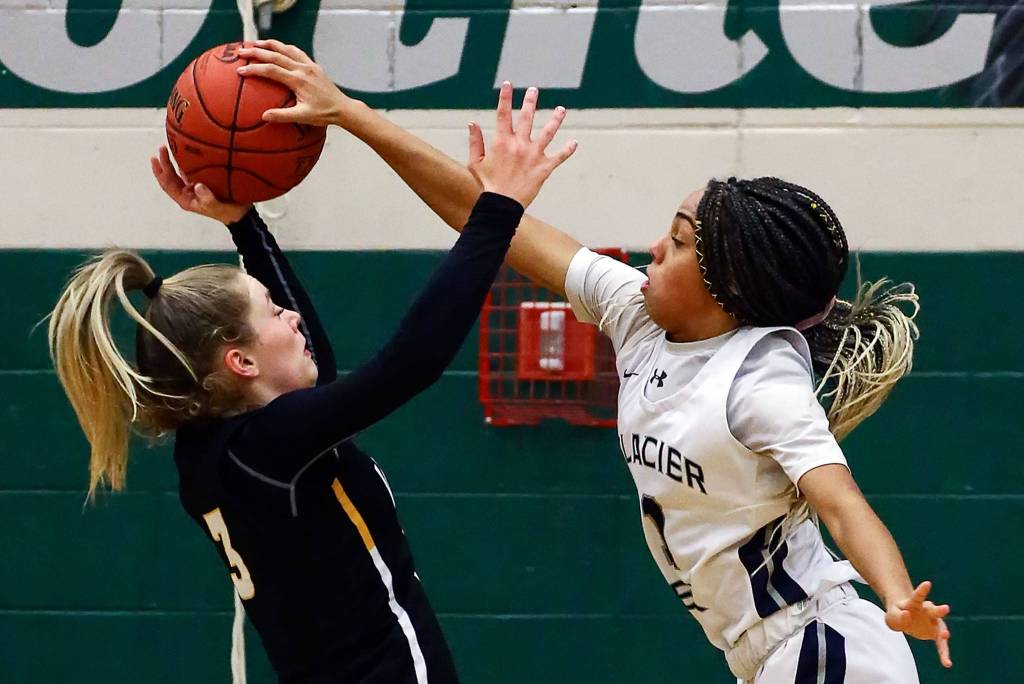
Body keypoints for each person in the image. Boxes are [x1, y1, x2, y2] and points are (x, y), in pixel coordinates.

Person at [235, 40, 953, 683]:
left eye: (674, 243)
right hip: (765, 655)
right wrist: (350, 115)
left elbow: (841, 503)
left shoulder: (761, 382)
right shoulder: (637, 312)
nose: (651, 250)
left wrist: (894, 594)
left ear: (723, 289)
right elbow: (481, 214)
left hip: (825, 649)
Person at [46, 87, 576, 683]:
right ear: (241, 362)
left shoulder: (216, 449)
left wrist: (244, 225)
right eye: (274, 312)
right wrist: (497, 209)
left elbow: (312, 368)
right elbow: (411, 364)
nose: (291, 316)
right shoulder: (269, 447)